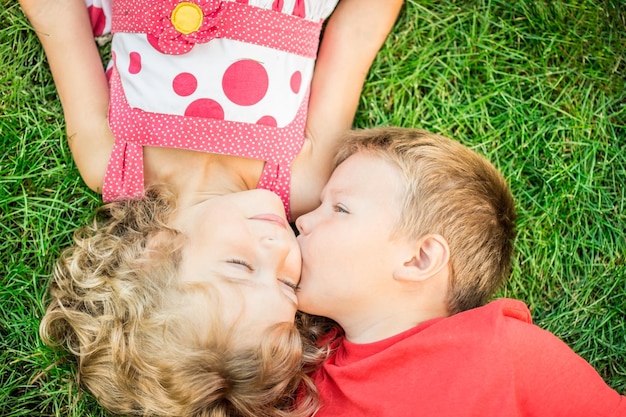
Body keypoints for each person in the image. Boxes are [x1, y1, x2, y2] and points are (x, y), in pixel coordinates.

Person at [18, 0, 403, 415]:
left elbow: (57, 18)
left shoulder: (112, 160)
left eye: (240, 265)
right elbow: (355, 37)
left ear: (152, 255)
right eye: (287, 285)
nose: (278, 246)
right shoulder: (301, 179)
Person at [295, 127, 626, 416]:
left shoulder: (507, 352)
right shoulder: (298, 372)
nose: (302, 221)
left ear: (419, 259)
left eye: (340, 208)